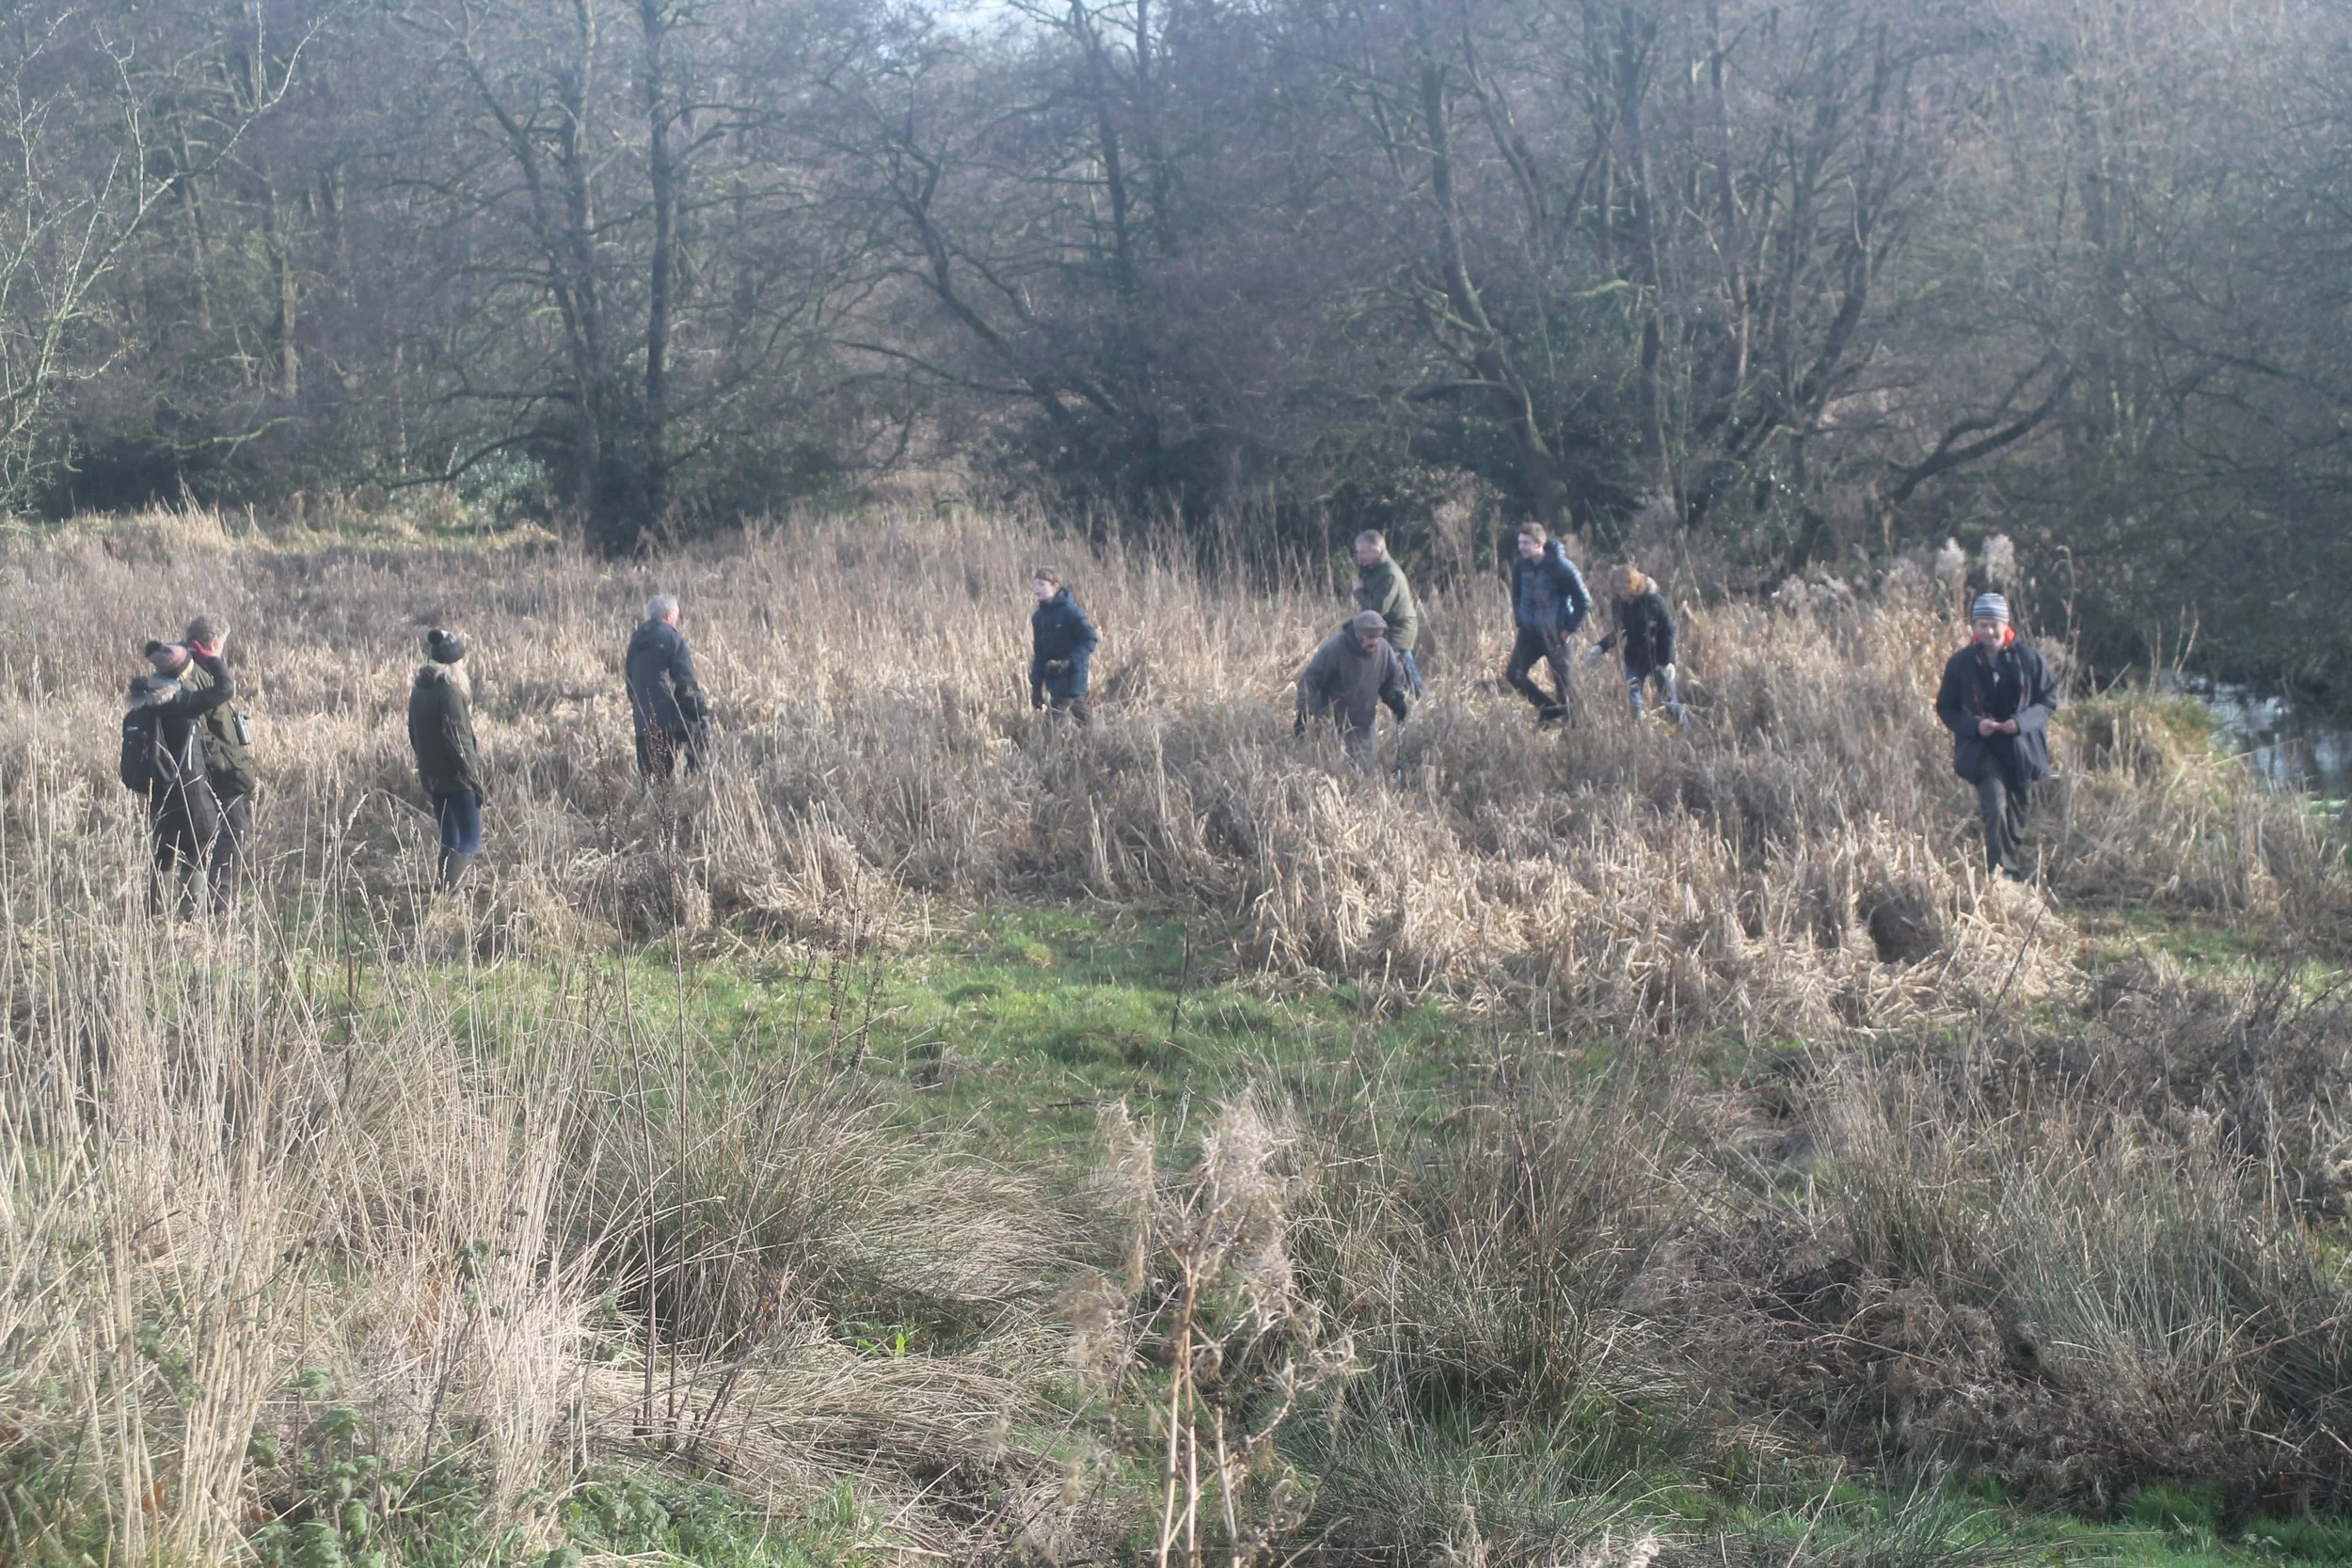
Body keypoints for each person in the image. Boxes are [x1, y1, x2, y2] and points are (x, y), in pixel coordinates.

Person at [1934, 593, 2058, 880]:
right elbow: (1946, 708)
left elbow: (2048, 702)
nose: (1988, 632)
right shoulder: (1961, 663)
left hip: (2021, 751)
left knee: (2018, 816)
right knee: (1996, 807)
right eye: (1982, 625)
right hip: (1982, 751)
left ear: (2005, 624)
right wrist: (1975, 726)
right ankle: (2001, 879)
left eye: (1993, 625)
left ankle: (2008, 866)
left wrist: (2020, 723)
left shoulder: (2029, 659)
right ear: (1974, 627)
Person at [122, 639, 235, 912]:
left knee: (164, 848)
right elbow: (225, 688)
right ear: (183, 671)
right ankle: (189, 914)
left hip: (157, 787)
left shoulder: (143, 701)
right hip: (188, 785)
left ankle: (155, 911)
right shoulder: (182, 701)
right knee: (199, 841)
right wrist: (210, 659)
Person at [173, 615, 257, 904]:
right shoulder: (195, 677)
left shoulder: (200, 672)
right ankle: (217, 900)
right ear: (215, 643)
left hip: (219, 768)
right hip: (217, 773)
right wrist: (224, 764)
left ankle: (211, 898)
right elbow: (198, 731)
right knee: (235, 830)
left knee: (224, 831)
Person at [408, 627, 487, 886]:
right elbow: (460, 742)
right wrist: (473, 780)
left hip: (432, 777)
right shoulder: (451, 694)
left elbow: (414, 736)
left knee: (449, 839)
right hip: (457, 778)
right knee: (470, 839)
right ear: (454, 664)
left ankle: (442, 891)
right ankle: (450, 895)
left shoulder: (419, 691)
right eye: (461, 661)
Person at [1295, 610, 1410, 768]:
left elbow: (1392, 679)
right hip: (1331, 722)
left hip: (1363, 720)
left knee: (1363, 771)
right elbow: (1311, 678)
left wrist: (1396, 699)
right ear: (1358, 633)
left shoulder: (1384, 649)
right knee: (1329, 769)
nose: (1375, 641)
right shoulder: (1334, 648)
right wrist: (1303, 712)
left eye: (1379, 636)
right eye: (1371, 637)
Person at [1504, 523, 1592, 726]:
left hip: (1555, 633)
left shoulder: (1561, 567)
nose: (1521, 547)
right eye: (1520, 542)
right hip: (1529, 632)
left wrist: (1569, 628)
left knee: (1564, 684)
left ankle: (1575, 730)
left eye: (1526, 543)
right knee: (1514, 675)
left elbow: (1584, 601)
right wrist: (1520, 619)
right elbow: (1516, 594)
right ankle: (1548, 708)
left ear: (1540, 544)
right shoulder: (1520, 564)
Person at [626, 594, 708, 783]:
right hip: (668, 720)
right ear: (670, 615)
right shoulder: (672, 638)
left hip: (643, 722)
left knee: (651, 785)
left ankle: (649, 809)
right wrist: (699, 712)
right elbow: (686, 682)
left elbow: (629, 684)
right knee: (700, 736)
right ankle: (693, 782)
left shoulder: (636, 639)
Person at [1588, 565, 1685, 724]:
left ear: (1634, 584)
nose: (1622, 592)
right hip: (1634, 659)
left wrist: (1667, 661)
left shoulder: (1653, 601)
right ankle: (1641, 732)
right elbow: (1620, 631)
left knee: (1669, 699)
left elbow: (1669, 629)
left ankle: (1683, 730)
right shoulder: (1618, 604)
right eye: (1617, 588)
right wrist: (1600, 648)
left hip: (1658, 657)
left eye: (1625, 587)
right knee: (1634, 700)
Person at [1352, 531, 1423, 696]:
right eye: (1358, 552)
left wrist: (1358, 592)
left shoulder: (1389, 575)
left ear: (1376, 552)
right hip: (1383, 628)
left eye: (1363, 552)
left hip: (1398, 630)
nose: (1359, 557)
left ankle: (1425, 701)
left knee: (1405, 670)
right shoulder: (1373, 569)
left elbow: (1377, 610)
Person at [1029, 567, 1099, 725]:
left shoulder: (1070, 611)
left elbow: (1090, 638)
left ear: (1055, 586)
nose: (1036, 589)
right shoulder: (1039, 617)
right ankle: (1101, 741)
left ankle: (1048, 750)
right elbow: (1039, 654)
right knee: (1082, 715)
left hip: (1072, 674)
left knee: (1051, 723)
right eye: (1035, 585)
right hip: (1054, 676)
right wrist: (1036, 687)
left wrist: (1069, 662)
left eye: (1041, 584)